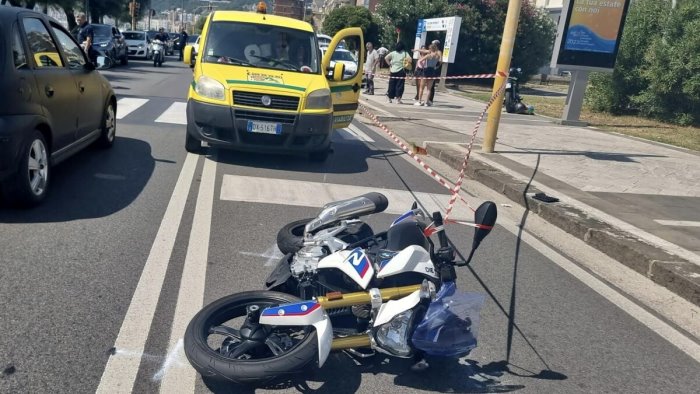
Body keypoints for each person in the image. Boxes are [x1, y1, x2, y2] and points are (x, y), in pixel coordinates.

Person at [427, 39, 443, 107]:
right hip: (429, 68)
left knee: (432, 85)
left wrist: (437, 67)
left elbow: (441, 61)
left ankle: (430, 100)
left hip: (434, 69)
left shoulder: (439, 52)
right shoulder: (431, 51)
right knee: (428, 85)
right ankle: (427, 99)